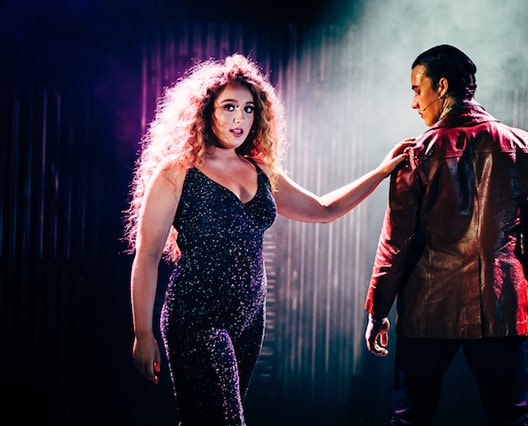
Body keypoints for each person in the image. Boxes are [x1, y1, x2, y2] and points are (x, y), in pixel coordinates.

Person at [122, 53, 413, 426]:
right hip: (195, 317)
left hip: (249, 320)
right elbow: (147, 255)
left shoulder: (259, 170)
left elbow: (324, 209)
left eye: (248, 109)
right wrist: (142, 333)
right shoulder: (177, 172)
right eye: (229, 107)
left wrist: (382, 172)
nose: (240, 119)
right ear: (205, 111)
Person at [363, 44, 528, 426]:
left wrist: (378, 311)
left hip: (428, 307)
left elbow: (396, 243)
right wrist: (526, 296)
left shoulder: (417, 153)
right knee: (512, 419)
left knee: (410, 418)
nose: (413, 103)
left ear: (442, 86)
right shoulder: (523, 146)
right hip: (502, 303)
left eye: (417, 89)